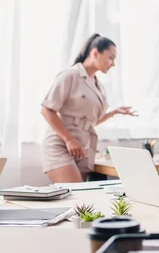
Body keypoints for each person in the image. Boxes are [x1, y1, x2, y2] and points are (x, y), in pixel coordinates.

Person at [41, 34, 137, 183]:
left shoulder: (98, 85)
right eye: (111, 57)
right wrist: (69, 139)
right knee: (76, 197)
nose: (113, 63)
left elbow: (91, 122)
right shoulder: (70, 75)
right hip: (61, 144)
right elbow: (47, 110)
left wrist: (114, 112)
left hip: (82, 149)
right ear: (95, 53)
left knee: (83, 202)